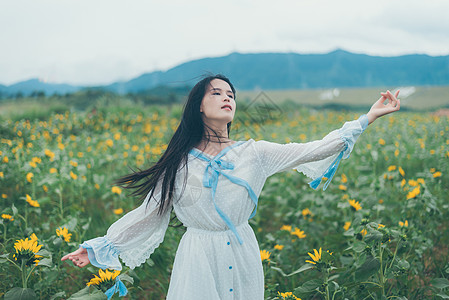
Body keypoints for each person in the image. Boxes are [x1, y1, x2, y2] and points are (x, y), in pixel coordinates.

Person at [62, 74, 400, 299]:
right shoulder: (179, 162)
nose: (227, 98)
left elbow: (313, 149)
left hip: (242, 250)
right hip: (198, 255)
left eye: (231, 95)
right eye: (217, 93)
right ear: (199, 105)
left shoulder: (256, 153)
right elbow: (149, 214)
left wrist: (366, 118)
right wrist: (97, 248)